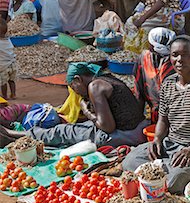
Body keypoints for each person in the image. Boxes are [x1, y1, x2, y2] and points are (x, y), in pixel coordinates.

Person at [122, 35, 190, 194]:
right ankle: (164, 165)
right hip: (171, 144)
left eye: (185, 55)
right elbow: (163, 119)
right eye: (175, 55)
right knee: (129, 161)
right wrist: (157, 139)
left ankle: (170, 168)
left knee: (173, 182)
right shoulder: (168, 83)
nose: (179, 59)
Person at [0, 62, 149, 147]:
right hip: (137, 128)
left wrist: (86, 110)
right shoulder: (106, 78)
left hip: (122, 135)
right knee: (73, 128)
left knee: (62, 131)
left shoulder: (95, 87)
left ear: (78, 79)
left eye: (73, 86)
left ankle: (16, 135)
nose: (74, 92)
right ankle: (25, 135)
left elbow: (107, 127)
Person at [133, 27, 176, 123]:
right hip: (163, 111)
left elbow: (138, 90)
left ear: (152, 46)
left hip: (169, 113)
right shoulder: (145, 58)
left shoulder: (173, 64)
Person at [0, 18, 15, 100]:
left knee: (3, 82)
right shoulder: (7, 39)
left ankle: (4, 96)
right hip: (12, 64)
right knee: (11, 80)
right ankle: (13, 94)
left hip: (3, 66)